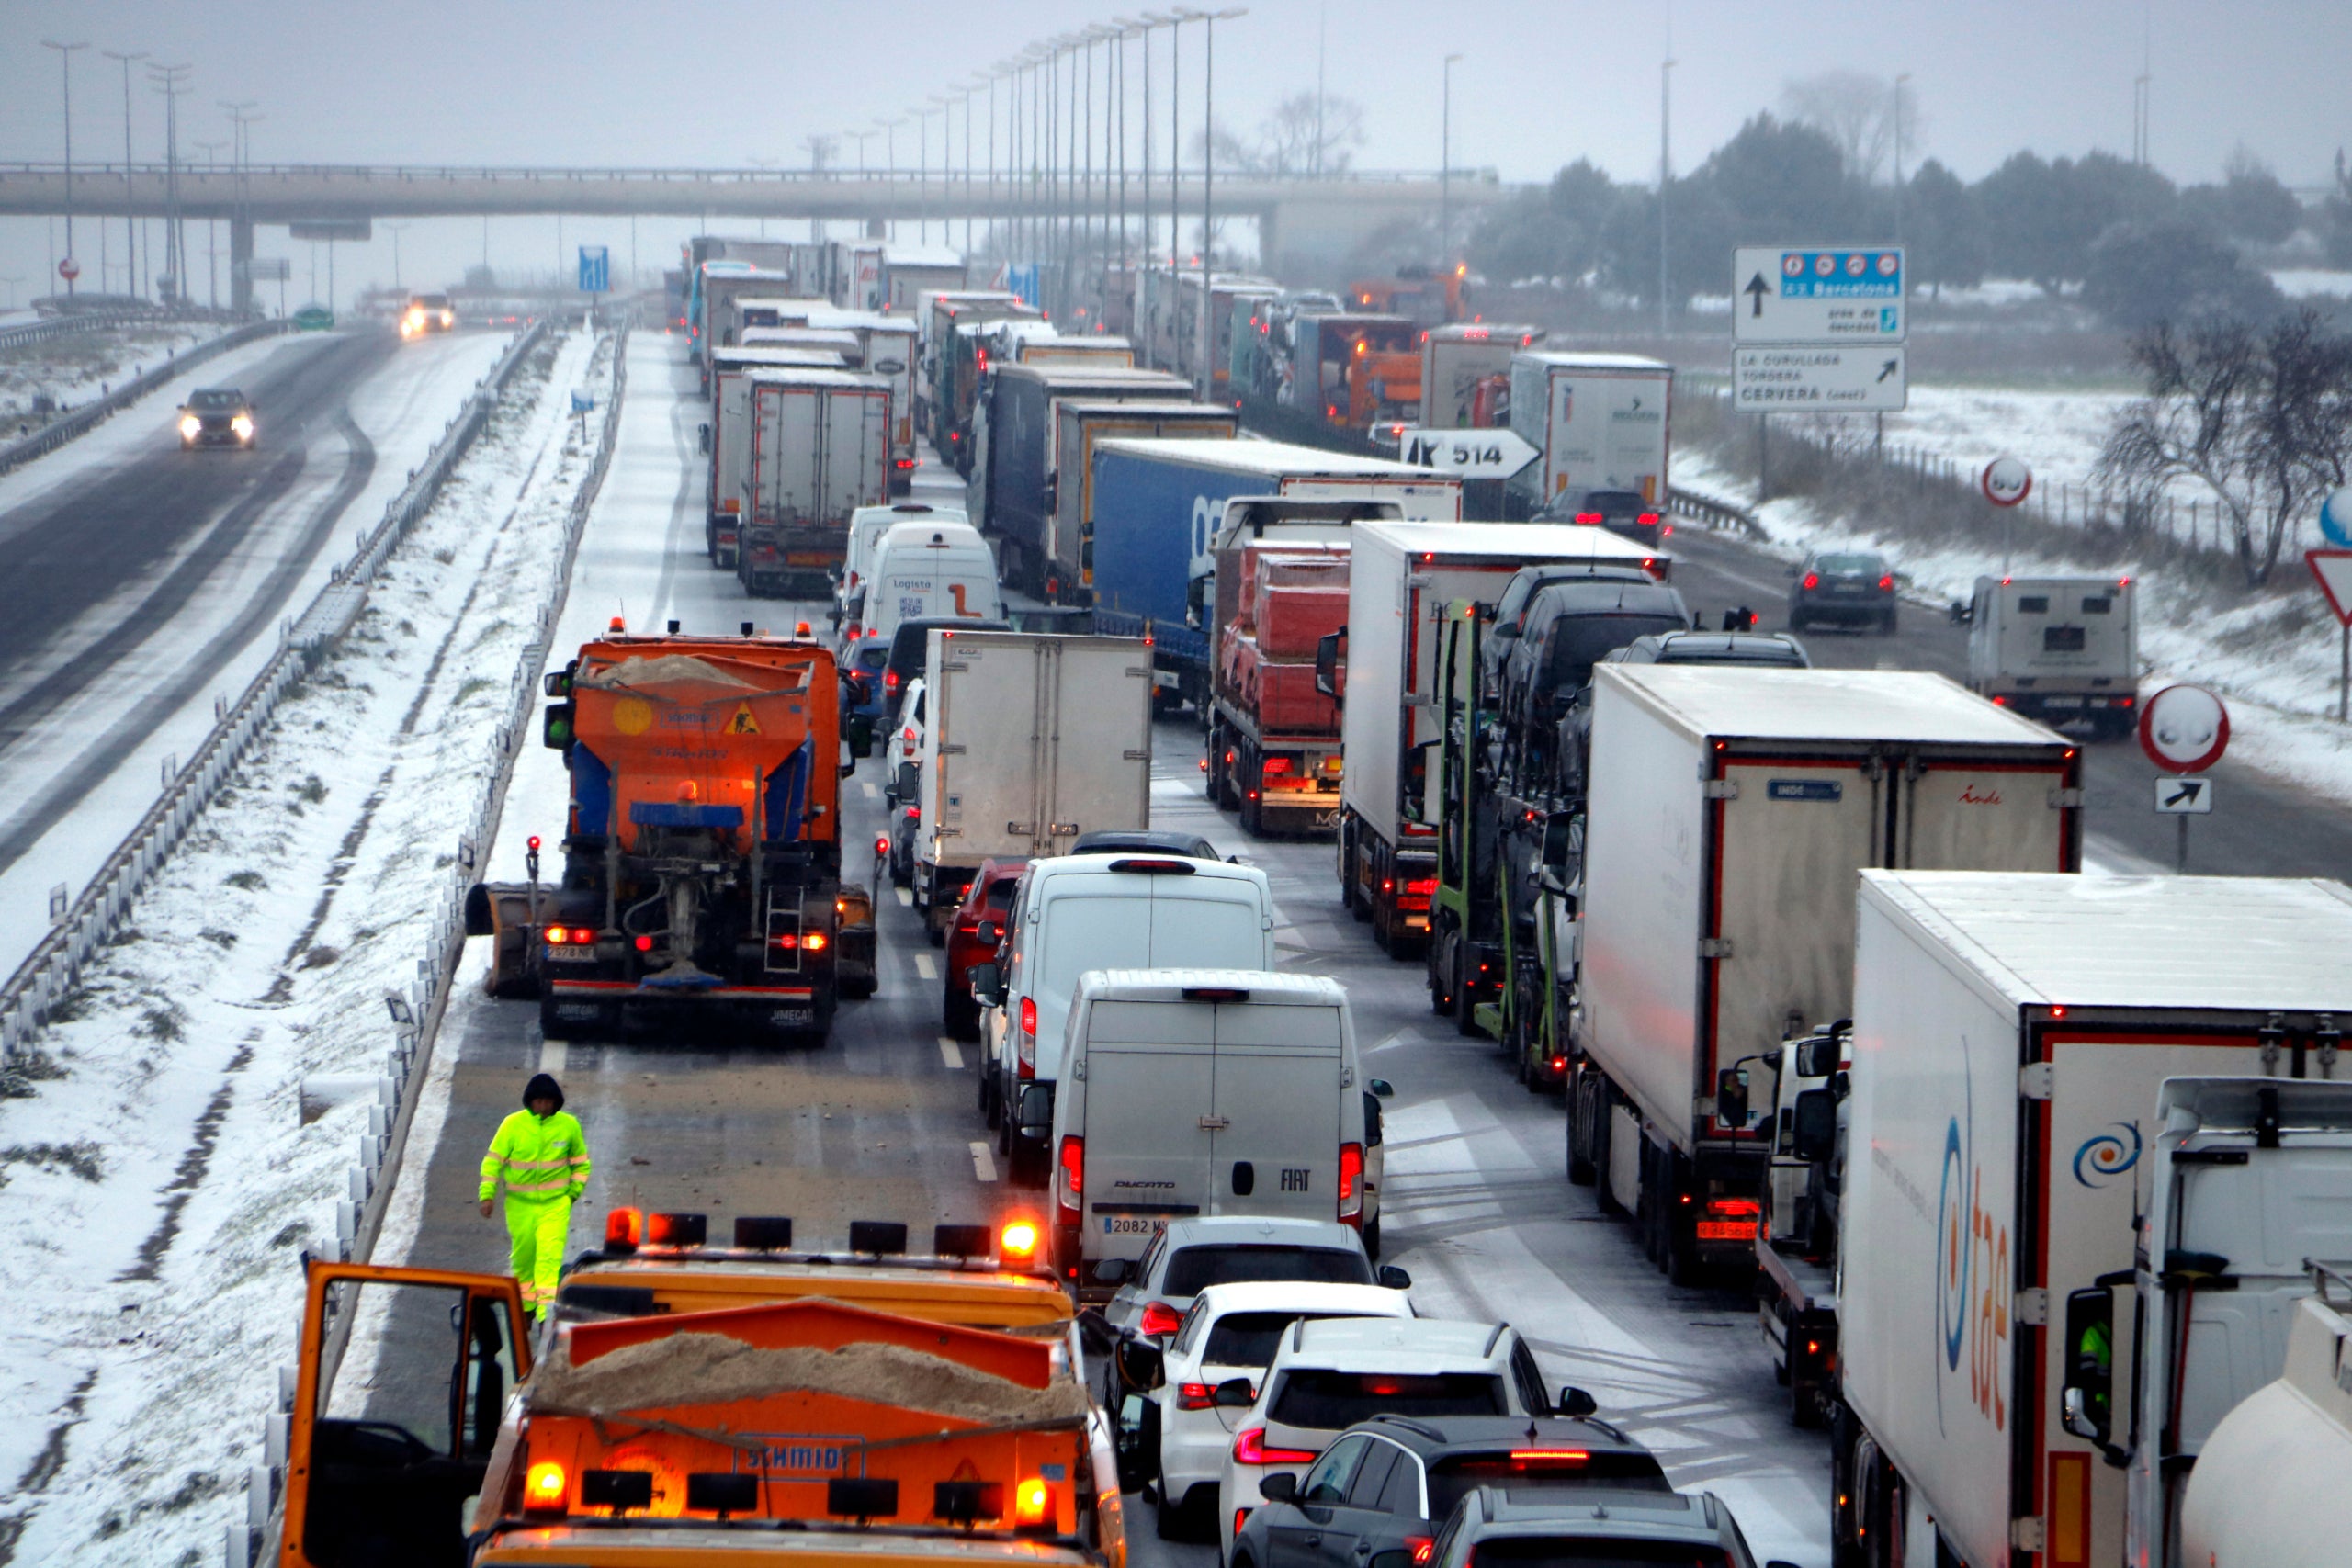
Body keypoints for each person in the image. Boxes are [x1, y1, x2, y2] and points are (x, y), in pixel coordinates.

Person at [479, 1072, 592, 1320]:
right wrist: (487, 1195)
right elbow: (492, 1163)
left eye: (547, 1102)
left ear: (555, 1103)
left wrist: (571, 1195)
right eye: (538, 1101)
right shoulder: (512, 1125)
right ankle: (526, 1311)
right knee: (523, 1260)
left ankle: (545, 1318)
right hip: (520, 1207)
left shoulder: (568, 1125)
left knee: (548, 1261)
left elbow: (581, 1165)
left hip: (555, 1206)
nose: (542, 1107)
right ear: (530, 1102)